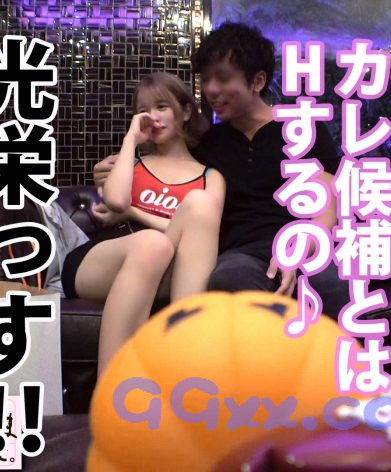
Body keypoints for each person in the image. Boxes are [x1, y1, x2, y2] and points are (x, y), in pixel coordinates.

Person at [94, 23, 350, 318]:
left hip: (302, 245)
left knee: (332, 284)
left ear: (257, 81)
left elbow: (327, 211)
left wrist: (295, 251)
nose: (211, 90)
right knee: (229, 279)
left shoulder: (304, 130)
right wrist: (112, 173)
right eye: (206, 79)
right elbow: (169, 175)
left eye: (223, 78)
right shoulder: (207, 143)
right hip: (239, 255)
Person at [62, 72, 225, 375]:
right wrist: (131, 140)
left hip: (163, 265)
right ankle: (110, 389)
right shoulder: (129, 163)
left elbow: (198, 235)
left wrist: (135, 212)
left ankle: (184, 358)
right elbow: (116, 201)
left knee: (194, 211)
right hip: (102, 261)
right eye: (143, 111)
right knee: (153, 243)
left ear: (185, 112)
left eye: (161, 106)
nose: (152, 117)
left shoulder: (210, 177)